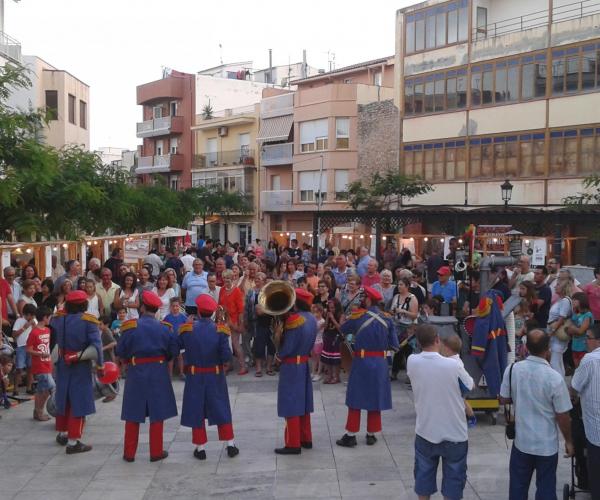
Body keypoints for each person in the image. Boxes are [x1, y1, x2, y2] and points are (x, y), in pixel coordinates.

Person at [499, 329, 574, 500]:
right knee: (546, 489)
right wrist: (568, 440)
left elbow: (504, 399)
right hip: (546, 446)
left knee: (518, 488)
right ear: (547, 348)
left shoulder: (512, 370)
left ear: (526, 347)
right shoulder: (554, 378)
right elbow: (563, 415)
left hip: (522, 443)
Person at [407, 324, 474, 500]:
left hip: (425, 430)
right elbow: (469, 386)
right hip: (454, 433)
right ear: (437, 340)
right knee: (453, 483)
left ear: (419, 343)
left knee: (423, 480)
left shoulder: (411, 361)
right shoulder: (453, 365)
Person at [117, 290, 179, 462]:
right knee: (157, 413)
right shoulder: (164, 328)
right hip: (158, 371)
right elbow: (173, 351)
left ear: (142, 308)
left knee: (132, 413)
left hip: (136, 370)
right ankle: (156, 451)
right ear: (156, 310)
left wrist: (128, 360)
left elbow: (121, 350)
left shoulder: (130, 327)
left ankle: (129, 453)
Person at [336, 286, 399, 448]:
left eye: (364, 298)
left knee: (355, 398)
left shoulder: (358, 317)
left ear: (369, 300)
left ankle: (350, 435)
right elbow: (394, 344)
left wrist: (345, 318)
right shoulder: (388, 319)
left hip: (362, 362)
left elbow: (342, 330)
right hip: (380, 363)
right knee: (375, 397)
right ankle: (371, 434)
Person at [178, 294, 239, 460]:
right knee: (221, 407)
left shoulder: (187, 329)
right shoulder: (220, 330)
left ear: (198, 310)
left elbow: (178, 346)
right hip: (215, 374)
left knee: (196, 410)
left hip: (195, 375)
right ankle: (230, 444)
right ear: (212, 312)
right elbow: (226, 356)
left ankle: (201, 447)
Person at [51, 290, 104, 454]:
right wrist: (100, 366)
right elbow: (97, 346)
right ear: (84, 304)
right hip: (80, 365)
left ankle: (62, 433)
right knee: (78, 403)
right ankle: (73, 442)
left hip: (61, 363)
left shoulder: (57, 319)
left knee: (63, 398)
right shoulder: (89, 321)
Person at [274, 288, 317, 455]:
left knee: (291, 403)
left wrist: (279, 355)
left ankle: (293, 443)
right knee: (304, 403)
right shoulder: (311, 318)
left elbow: (288, 347)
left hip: (291, 366)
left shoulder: (294, 320)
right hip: (304, 363)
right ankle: (306, 438)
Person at [571, 323, 600, 500]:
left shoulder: (589, 360)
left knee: (596, 475)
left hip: (595, 431)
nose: (585, 342)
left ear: (597, 341)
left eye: (587, 338)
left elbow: (574, 387)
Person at [440, 334, 477, 427]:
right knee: (462, 401)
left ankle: (471, 418)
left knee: (461, 401)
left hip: (464, 385)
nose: (441, 350)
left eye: (442, 348)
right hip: (465, 384)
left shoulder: (452, 361)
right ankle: (471, 417)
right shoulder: (455, 358)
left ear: (447, 349)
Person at [25, 306, 54, 421]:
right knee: (50, 388)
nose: (50, 319)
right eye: (49, 317)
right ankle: (40, 411)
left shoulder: (48, 330)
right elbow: (28, 349)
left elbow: (47, 347)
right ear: (45, 318)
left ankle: (37, 411)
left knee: (42, 390)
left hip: (47, 364)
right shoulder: (34, 332)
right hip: (39, 365)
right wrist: (40, 354)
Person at [389, 277, 418, 381]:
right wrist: (393, 311)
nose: (399, 286)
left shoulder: (412, 298)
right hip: (397, 326)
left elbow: (414, 315)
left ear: (407, 286)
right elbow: (392, 310)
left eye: (401, 285)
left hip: (408, 327)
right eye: (398, 284)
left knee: (408, 351)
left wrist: (403, 311)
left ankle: (411, 375)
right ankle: (394, 372)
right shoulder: (396, 296)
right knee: (397, 350)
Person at [219, 270, 246, 375]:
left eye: (228, 278)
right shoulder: (221, 290)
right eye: (224, 278)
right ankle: (228, 365)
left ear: (232, 278)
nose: (226, 280)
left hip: (234, 321)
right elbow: (220, 305)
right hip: (224, 320)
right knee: (225, 344)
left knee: (235, 344)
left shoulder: (236, 291)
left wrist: (240, 323)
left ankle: (243, 366)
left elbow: (241, 310)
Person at [247, 272, 274, 377]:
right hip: (260, 324)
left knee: (272, 346)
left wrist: (267, 310)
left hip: (272, 324)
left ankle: (269, 367)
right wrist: (272, 310)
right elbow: (258, 311)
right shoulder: (259, 294)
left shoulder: (274, 295)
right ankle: (258, 369)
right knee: (259, 346)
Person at [547, 280, 573, 376]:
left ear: (563, 288)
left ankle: (557, 383)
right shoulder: (561, 300)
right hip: (555, 333)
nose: (555, 286)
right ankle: (561, 382)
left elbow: (562, 318)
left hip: (557, 333)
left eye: (558, 285)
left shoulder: (565, 301)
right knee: (558, 360)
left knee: (555, 360)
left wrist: (552, 331)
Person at [12, 303, 36, 395]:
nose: (33, 317)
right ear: (27, 314)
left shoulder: (34, 321)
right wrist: (25, 327)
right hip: (21, 347)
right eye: (32, 315)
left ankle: (29, 388)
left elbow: (36, 333)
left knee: (30, 368)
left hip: (31, 347)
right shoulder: (19, 320)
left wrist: (33, 326)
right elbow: (14, 335)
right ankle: (15, 389)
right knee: (19, 368)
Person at [320, 298, 344, 384]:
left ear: (337, 307)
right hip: (328, 337)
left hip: (336, 338)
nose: (331, 309)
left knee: (335, 359)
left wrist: (333, 318)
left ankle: (336, 377)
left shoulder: (341, 315)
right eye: (330, 308)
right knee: (327, 358)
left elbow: (341, 329)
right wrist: (327, 318)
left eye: (333, 308)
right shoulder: (328, 314)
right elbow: (325, 327)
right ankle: (329, 375)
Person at [567, 292, 593, 368]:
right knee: (577, 368)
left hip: (584, 347)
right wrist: (572, 329)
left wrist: (572, 328)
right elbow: (568, 331)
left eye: (575, 300)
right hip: (575, 346)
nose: (572, 302)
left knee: (583, 367)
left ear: (582, 301)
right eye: (572, 300)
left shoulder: (587, 315)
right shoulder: (575, 314)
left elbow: (581, 331)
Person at [98, 315, 117, 402]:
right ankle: (111, 394)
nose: (99, 326)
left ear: (106, 325)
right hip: (106, 357)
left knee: (109, 377)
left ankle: (112, 394)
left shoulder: (107, 332)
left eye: (101, 324)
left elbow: (114, 343)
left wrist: (103, 348)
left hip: (109, 358)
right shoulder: (103, 331)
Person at [311, 303, 325, 382]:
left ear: (321, 312)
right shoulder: (313, 320)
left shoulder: (322, 321)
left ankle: (319, 373)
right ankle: (313, 372)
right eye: (314, 312)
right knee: (313, 357)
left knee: (319, 358)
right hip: (313, 341)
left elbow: (315, 330)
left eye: (317, 312)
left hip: (319, 341)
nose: (315, 314)